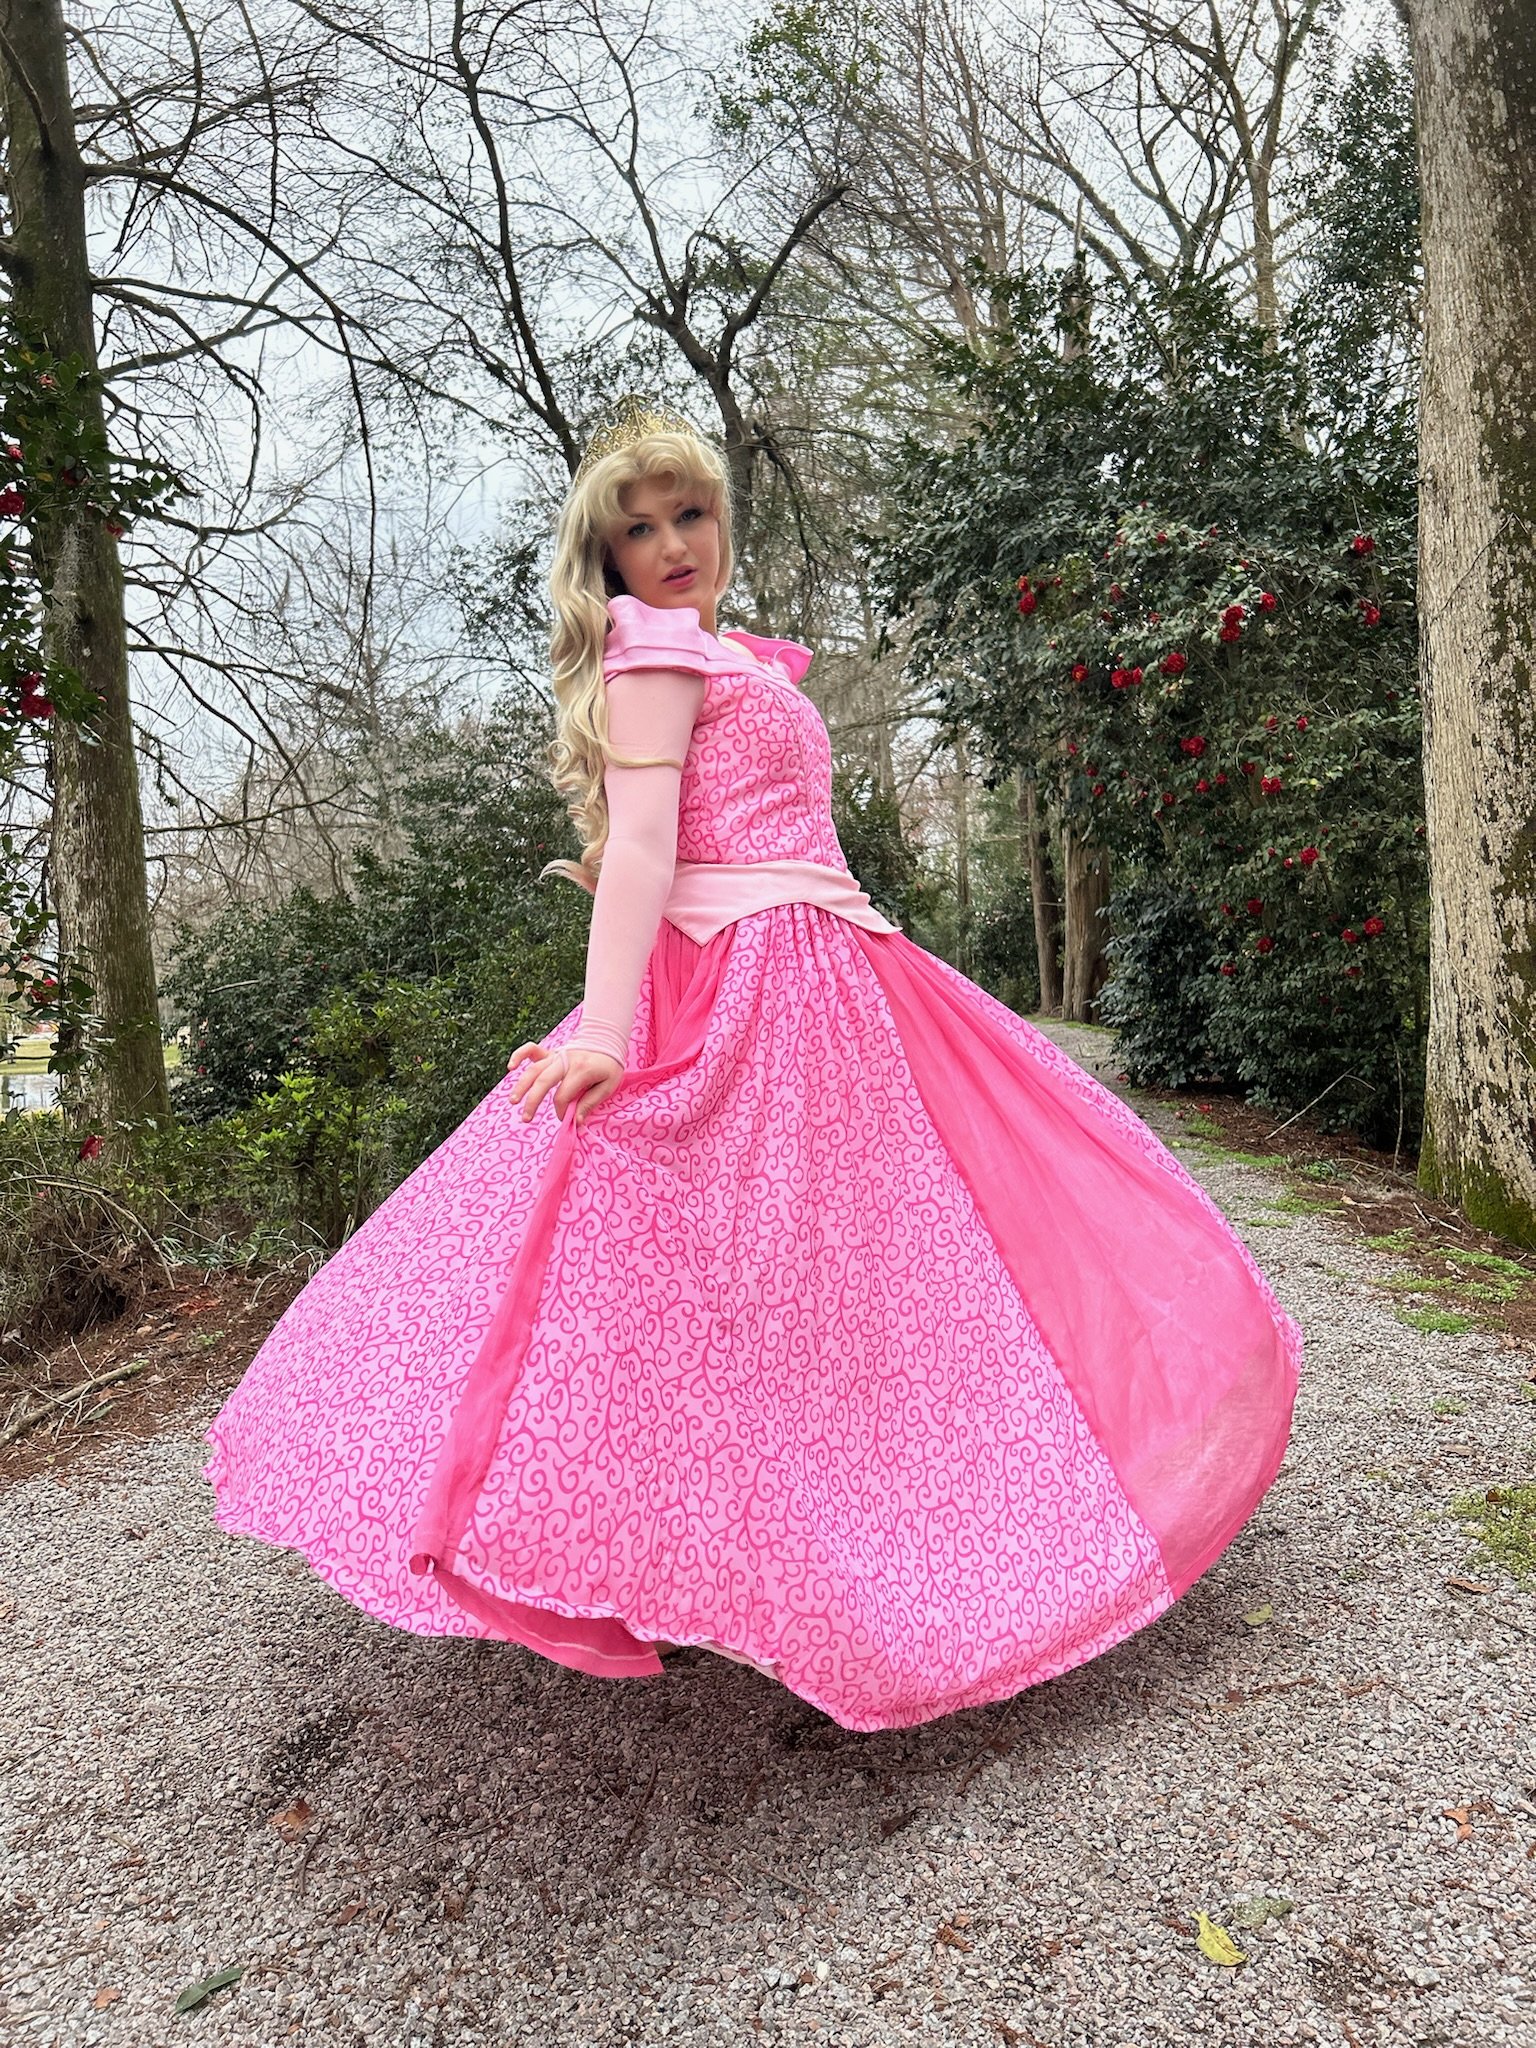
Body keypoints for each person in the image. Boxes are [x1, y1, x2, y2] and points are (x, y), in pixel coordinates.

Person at [204, 402, 1302, 1734]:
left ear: (724, 518)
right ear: (607, 559)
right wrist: (606, 1027)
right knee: (738, 1271)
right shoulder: (656, 652)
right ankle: (762, 1555)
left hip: (837, 971)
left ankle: (899, 1523)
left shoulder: (729, 658)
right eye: (640, 530)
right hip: (759, 989)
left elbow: (685, 838)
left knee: (878, 1268)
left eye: (692, 514)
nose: (673, 544)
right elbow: (648, 848)